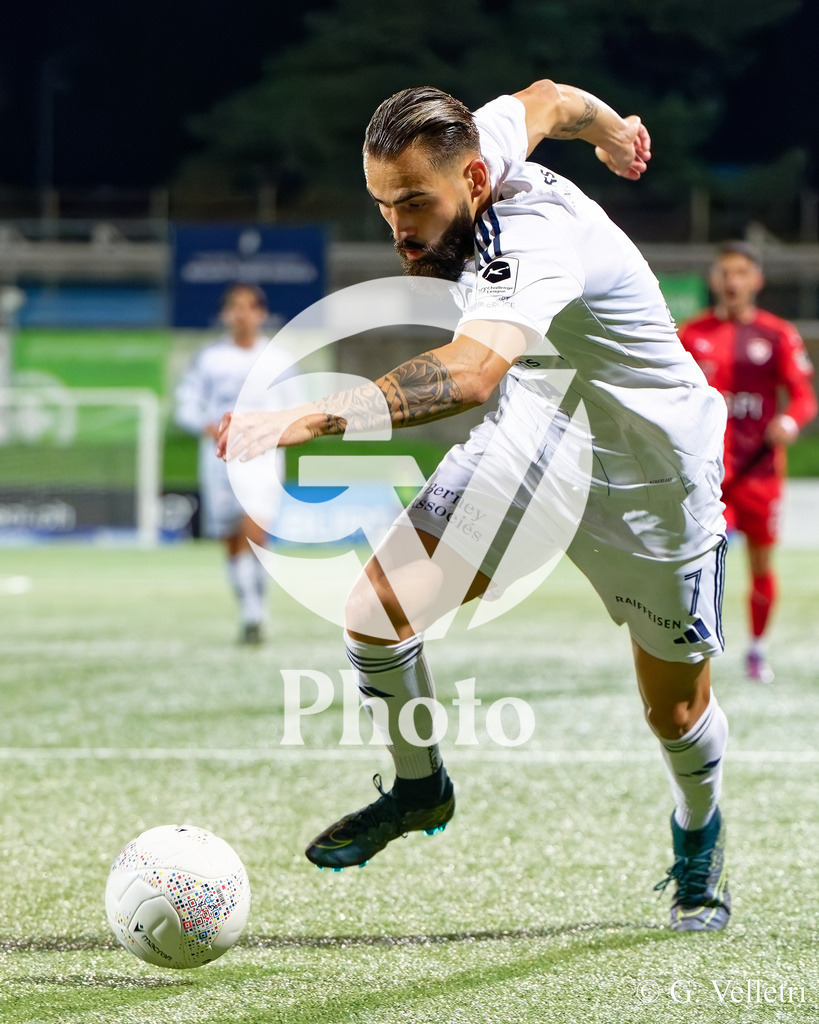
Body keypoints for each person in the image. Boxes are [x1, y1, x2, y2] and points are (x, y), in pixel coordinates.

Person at [219, 80, 731, 931]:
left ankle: (698, 830)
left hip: (649, 474)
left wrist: (309, 415)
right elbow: (545, 99)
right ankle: (420, 788)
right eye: (384, 204)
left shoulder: (531, 238)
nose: (399, 227)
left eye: (415, 202)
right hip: (538, 435)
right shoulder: (479, 143)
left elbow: (467, 373)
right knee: (376, 612)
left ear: (475, 183)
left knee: (673, 710)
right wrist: (612, 131)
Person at [679, 242, 817, 684]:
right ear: (714, 280)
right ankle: (696, 647)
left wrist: (790, 422)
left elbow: (803, 397)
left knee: (760, 565)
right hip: (709, 473)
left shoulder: (777, 334)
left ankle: (757, 650)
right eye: (725, 272)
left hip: (759, 472)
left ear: (756, 281)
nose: (732, 281)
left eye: (741, 273)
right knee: (699, 559)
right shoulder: (690, 335)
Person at [175, 283, 297, 644]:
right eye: (235, 307)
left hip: (261, 454)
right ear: (226, 314)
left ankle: (257, 613)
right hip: (219, 455)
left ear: (261, 313)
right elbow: (187, 403)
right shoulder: (210, 358)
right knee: (231, 537)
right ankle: (249, 610)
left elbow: (296, 405)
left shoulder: (278, 359)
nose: (242, 314)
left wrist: (278, 432)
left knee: (255, 528)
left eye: (249, 307)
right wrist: (205, 426)